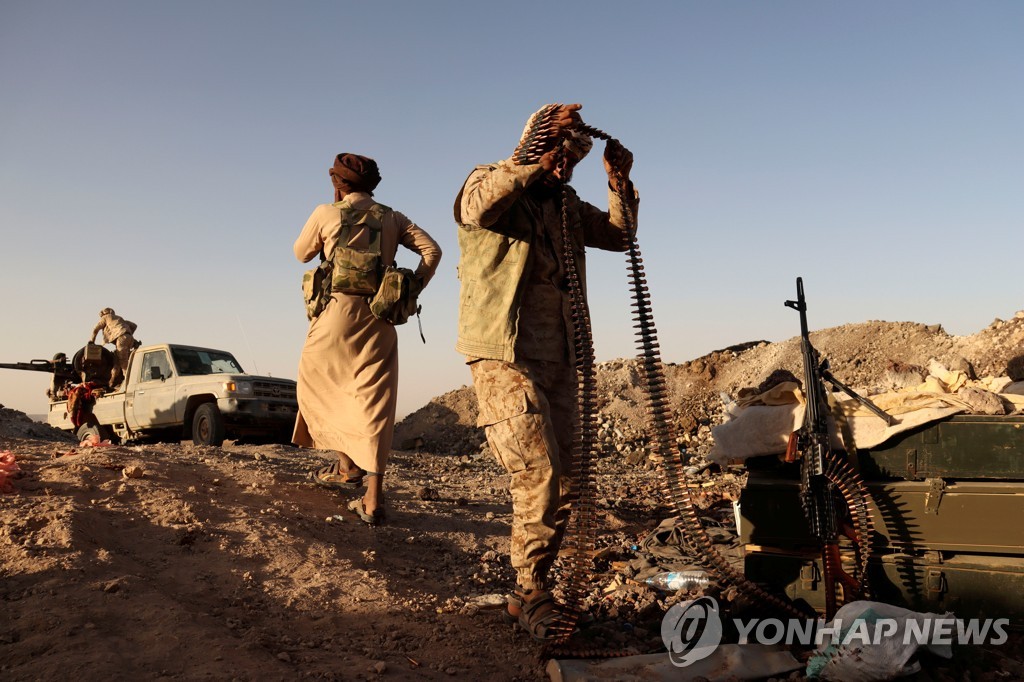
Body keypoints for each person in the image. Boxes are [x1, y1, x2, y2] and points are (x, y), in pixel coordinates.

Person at [454, 103, 637, 639]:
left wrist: (618, 183)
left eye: (575, 158)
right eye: (560, 153)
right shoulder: (490, 180)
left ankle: (529, 591)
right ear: (536, 145)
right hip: (504, 354)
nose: (566, 166)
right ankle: (532, 587)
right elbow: (479, 209)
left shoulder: (564, 205)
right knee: (538, 471)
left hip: (561, 354)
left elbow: (619, 236)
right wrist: (534, 161)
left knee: (567, 479)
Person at [293, 153, 441, 526]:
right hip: (379, 317)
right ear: (373, 185)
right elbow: (432, 251)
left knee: (321, 385)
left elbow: (301, 254)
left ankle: (345, 467)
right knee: (374, 401)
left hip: (334, 316)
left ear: (337, 183)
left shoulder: (325, 212)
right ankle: (372, 497)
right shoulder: (393, 217)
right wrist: (410, 287)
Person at [89, 308, 138, 387]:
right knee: (117, 360)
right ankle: (112, 381)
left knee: (123, 362)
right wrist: (128, 333)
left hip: (121, 338)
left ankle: (128, 383)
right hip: (129, 338)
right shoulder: (119, 319)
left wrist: (91, 341)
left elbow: (95, 329)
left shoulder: (106, 317)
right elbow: (134, 325)